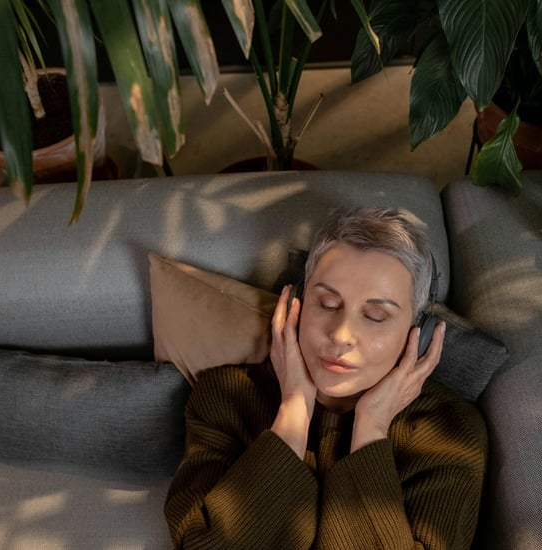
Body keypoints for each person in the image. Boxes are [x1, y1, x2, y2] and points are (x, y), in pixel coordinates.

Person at [164, 206, 488, 549]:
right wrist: (293, 413)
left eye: (375, 316)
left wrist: (371, 430)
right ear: (296, 306)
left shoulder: (449, 430)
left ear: (416, 334)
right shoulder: (225, 397)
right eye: (328, 305)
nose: (342, 334)